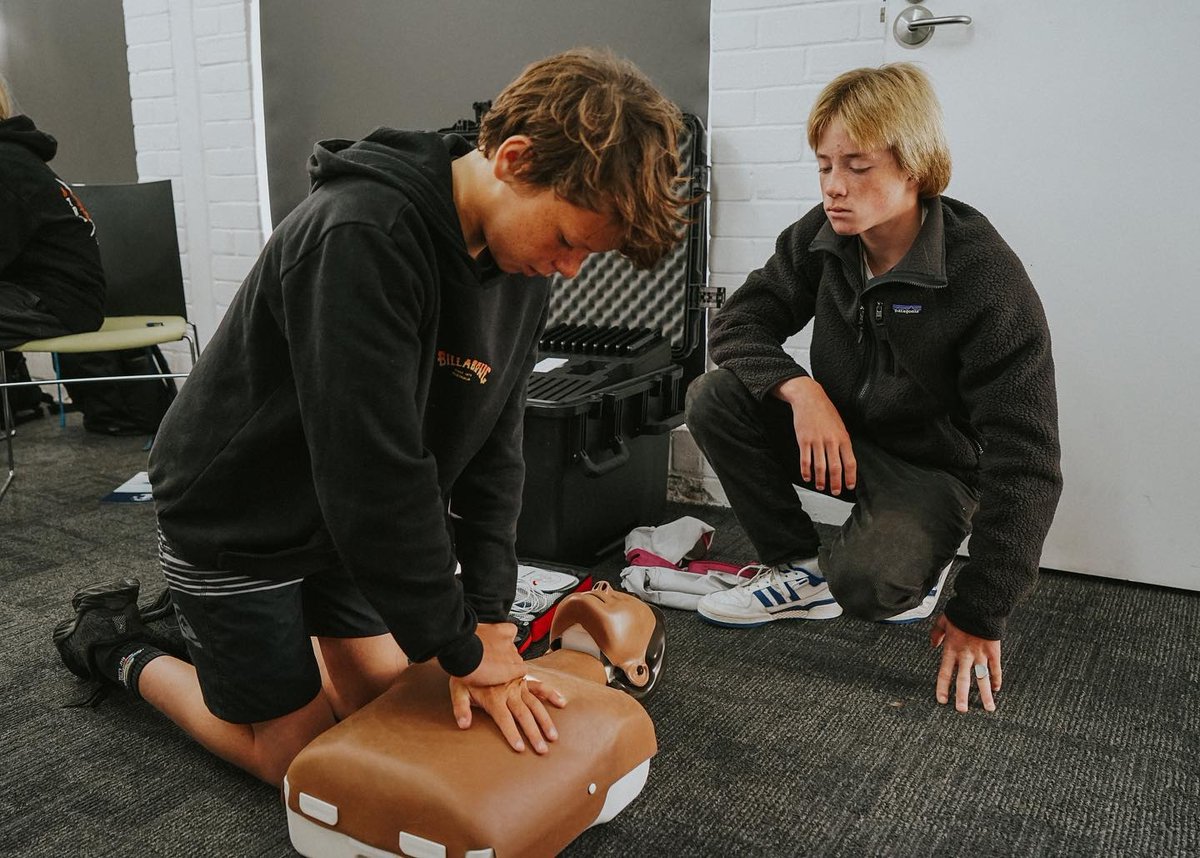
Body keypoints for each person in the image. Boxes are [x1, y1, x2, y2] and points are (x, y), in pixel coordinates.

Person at [51, 48, 686, 786]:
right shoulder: (359, 234)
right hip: (239, 521)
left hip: (347, 525)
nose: (569, 269)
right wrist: (459, 647)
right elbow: (374, 475)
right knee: (299, 762)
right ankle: (120, 647)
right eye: (570, 242)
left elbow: (493, 452)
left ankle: (239, 650)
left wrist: (487, 620)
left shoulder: (520, 265)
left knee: (389, 708)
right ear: (513, 159)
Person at [685, 63, 1061, 713]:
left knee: (867, 589)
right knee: (715, 396)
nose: (834, 187)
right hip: (848, 441)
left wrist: (981, 611)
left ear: (914, 166)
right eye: (825, 166)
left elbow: (1026, 461)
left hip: (936, 471)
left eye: (857, 167)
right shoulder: (821, 236)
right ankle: (797, 569)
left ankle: (920, 552)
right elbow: (739, 324)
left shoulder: (983, 276)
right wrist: (802, 392)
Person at [0, 74, 105, 350]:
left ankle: (24, 394)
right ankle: (24, 394)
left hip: (58, 301)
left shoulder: (7, 162)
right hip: (39, 292)